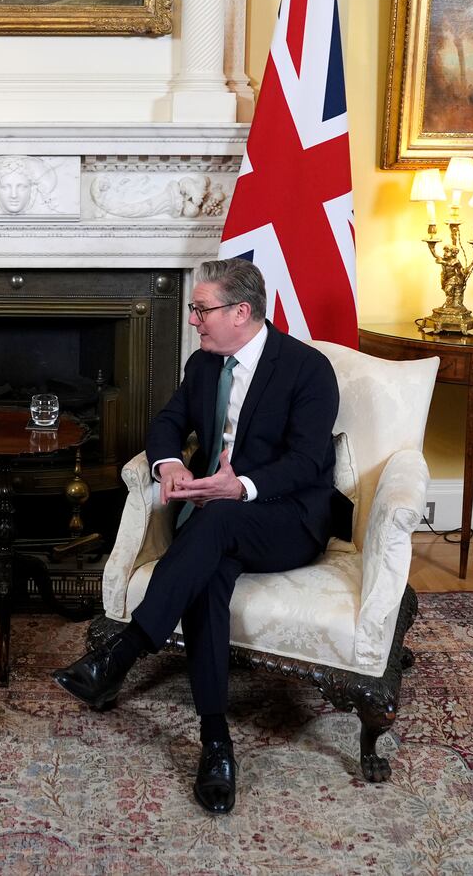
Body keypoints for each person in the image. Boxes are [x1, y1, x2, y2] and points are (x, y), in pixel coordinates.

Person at [50, 258, 347, 814]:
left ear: (241, 312)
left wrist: (242, 487)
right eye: (193, 308)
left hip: (286, 519)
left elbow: (308, 463)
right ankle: (217, 742)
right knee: (207, 578)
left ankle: (123, 652)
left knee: (216, 521)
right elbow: (167, 422)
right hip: (216, 523)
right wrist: (168, 465)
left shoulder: (308, 369)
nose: (193, 320)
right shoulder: (205, 364)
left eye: (201, 309)